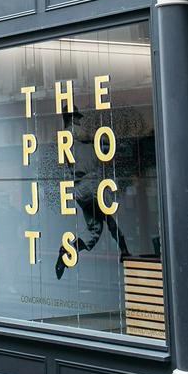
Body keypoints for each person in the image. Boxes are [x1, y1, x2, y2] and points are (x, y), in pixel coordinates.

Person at [55, 108, 130, 279]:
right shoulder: (73, 131)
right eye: (77, 118)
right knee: (112, 215)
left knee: (94, 231)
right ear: (72, 118)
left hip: (80, 189)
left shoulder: (63, 138)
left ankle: (68, 250)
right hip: (92, 183)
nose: (80, 121)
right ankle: (124, 250)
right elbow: (99, 139)